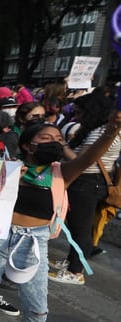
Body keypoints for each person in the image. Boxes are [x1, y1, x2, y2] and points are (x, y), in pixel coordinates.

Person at [0, 111, 121, 322]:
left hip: (35, 240)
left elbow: (89, 158)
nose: (54, 142)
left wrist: (112, 130)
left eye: (58, 139)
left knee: (37, 302)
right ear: (28, 145)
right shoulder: (4, 167)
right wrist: (4, 177)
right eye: (46, 137)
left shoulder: (62, 172)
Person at [48, 92, 121, 285]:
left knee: (81, 229)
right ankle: (72, 260)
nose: (77, 117)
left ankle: (75, 272)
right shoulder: (105, 129)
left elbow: (81, 161)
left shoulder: (102, 131)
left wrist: (61, 145)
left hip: (85, 182)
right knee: (79, 227)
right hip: (93, 182)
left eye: (80, 113)